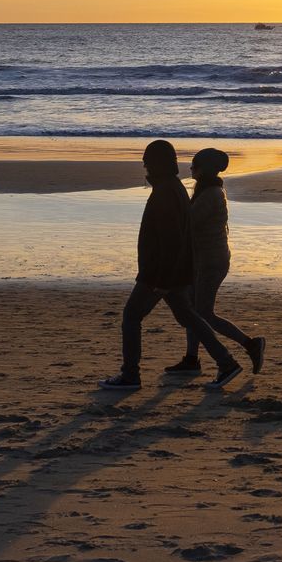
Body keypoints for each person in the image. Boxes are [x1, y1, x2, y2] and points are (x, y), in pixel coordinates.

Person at [98, 140, 243, 392]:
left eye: (147, 159)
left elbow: (171, 239)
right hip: (173, 272)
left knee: (131, 316)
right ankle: (226, 362)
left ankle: (130, 375)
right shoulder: (174, 188)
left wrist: (162, 281)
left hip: (159, 274)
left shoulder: (166, 191)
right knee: (190, 316)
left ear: (157, 163)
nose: (144, 163)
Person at [165, 148, 265, 377]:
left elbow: (187, 222)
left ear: (204, 169)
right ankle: (191, 359)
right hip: (202, 260)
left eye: (195, 165)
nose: (190, 169)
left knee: (203, 313)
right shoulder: (208, 191)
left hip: (211, 262)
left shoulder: (210, 195)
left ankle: (251, 344)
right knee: (192, 310)